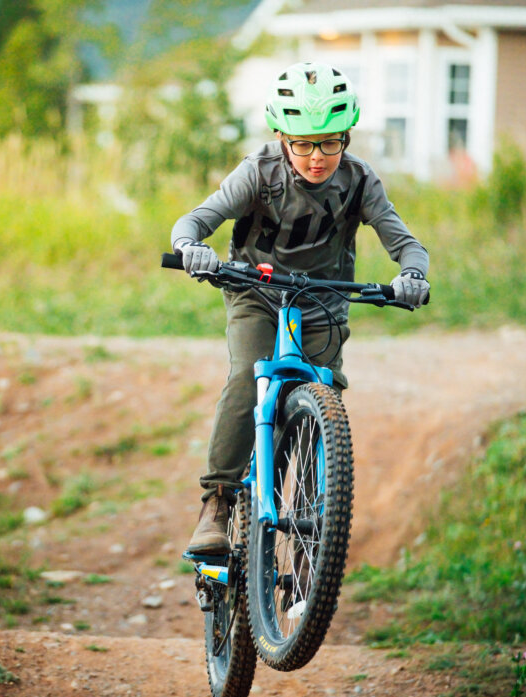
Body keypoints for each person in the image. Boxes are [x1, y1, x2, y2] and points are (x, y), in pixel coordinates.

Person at [171, 61, 430, 555]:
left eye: (330, 142)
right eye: (303, 144)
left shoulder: (358, 181)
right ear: (281, 136)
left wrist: (412, 275)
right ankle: (218, 503)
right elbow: (196, 220)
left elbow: (407, 244)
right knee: (250, 376)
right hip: (255, 292)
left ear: (347, 139)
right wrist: (192, 248)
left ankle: (315, 511)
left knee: (321, 391)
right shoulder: (259, 171)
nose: (316, 157)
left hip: (322, 301)